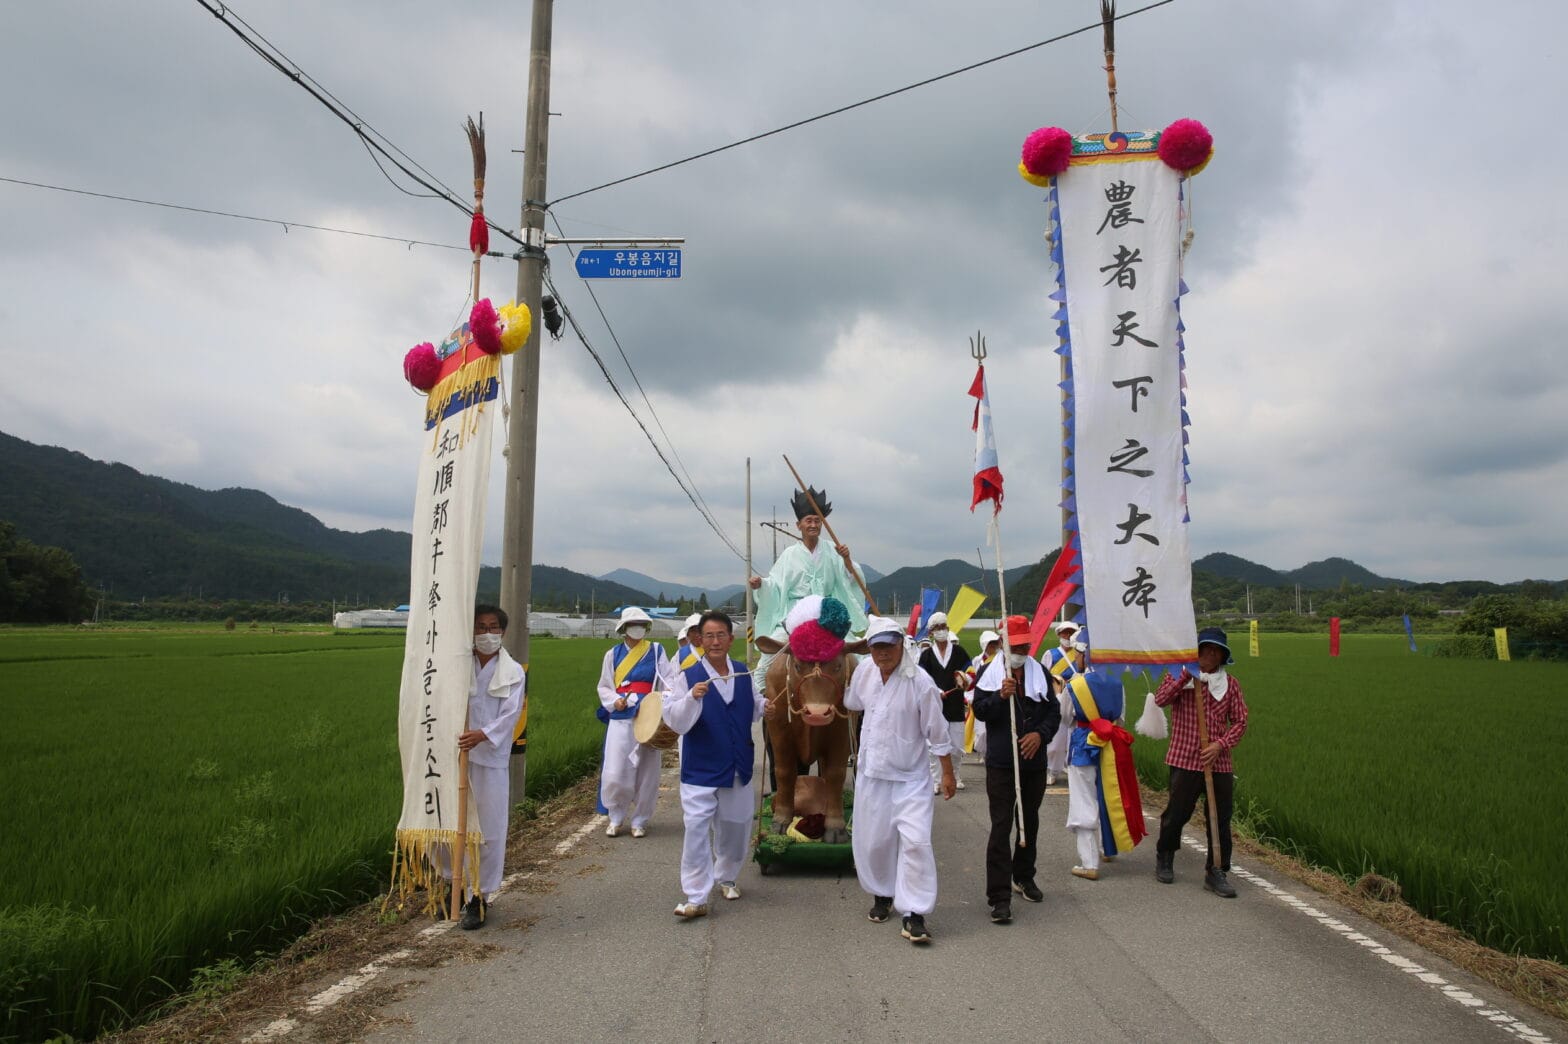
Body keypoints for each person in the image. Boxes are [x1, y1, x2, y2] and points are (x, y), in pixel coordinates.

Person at [844, 615, 955, 945]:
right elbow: (851, 701)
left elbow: (938, 733)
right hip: (873, 775)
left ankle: (915, 913)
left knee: (916, 843)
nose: (883, 653)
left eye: (889, 645)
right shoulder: (865, 672)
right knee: (874, 842)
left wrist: (947, 773)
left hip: (911, 780)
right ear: (870, 649)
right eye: (876, 647)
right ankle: (882, 893)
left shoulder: (920, 682)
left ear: (900, 645)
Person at [662, 610, 763, 919]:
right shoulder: (689, 676)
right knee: (695, 828)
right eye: (709, 636)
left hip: (737, 765)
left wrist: (767, 706)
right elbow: (674, 719)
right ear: (699, 640)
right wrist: (691, 697)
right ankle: (695, 895)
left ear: (731, 639)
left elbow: (755, 705)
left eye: (721, 635)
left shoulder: (743, 673)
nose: (715, 641)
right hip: (701, 768)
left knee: (736, 825)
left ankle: (728, 875)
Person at [971, 614, 1062, 924]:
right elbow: (980, 711)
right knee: (1001, 826)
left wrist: (1040, 735)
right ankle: (999, 897)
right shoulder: (989, 673)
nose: (1021, 650)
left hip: (1033, 762)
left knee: (1030, 822)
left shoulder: (1041, 673)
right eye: (1016, 645)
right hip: (1001, 763)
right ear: (1005, 644)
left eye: (1026, 645)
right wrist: (1000, 696)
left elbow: (1054, 711)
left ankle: (1024, 875)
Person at [1152, 626, 1250, 898]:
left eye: (1215, 650)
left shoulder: (1230, 685)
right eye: (1204, 648)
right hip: (1185, 757)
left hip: (1218, 762)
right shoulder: (1180, 676)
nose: (1209, 653)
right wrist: (1188, 672)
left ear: (1222, 656)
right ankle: (1165, 854)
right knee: (1177, 813)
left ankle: (1216, 870)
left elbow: (1241, 721)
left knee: (1219, 818)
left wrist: (1221, 744)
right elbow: (1160, 699)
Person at [449, 604, 527, 929]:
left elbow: (511, 714)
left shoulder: (513, 672)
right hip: (457, 758)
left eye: (493, 627)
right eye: (480, 627)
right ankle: (452, 887)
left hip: (490, 760)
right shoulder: (457, 666)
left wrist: (483, 734)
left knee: (490, 831)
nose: (487, 633)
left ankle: (480, 897)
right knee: (453, 826)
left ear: (502, 632)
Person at [748, 486, 868, 680]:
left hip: (827, 614)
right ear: (799, 525)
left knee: (853, 653)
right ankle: (764, 703)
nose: (813, 524)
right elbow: (775, 585)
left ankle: (858, 704)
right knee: (767, 661)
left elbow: (851, 578)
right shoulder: (789, 555)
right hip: (795, 614)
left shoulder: (832, 550)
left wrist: (846, 559)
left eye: (817, 520)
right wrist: (761, 584)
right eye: (808, 520)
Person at [1061, 660, 1146, 881]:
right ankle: (1108, 848)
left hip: (1083, 745)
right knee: (1110, 796)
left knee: (1083, 800)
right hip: (1111, 745)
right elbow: (1121, 718)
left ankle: (1089, 862)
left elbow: (1066, 718)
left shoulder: (1075, 685)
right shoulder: (1118, 683)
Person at [596, 606, 669, 838]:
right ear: (624, 628)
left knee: (647, 771)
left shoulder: (657, 651)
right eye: (633, 624)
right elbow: (604, 686)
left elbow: (667, 682)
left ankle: (640, 819)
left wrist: (659, 703)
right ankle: (616, 816)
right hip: (621, 716)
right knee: (616, 769)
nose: (637, 628)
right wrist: (615, 700)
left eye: (641, 624)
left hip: (647, 716)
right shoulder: (612, 654)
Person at [917, 611, 972, 793]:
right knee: (933, 747)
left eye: (943, 627)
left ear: (948, 629)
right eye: (937, 628)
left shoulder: (959, 652)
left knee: (956, 746)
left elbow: (970, 671)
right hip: (935, 707)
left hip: (955, 705)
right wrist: (936, 691)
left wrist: (964, 679)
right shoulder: (926, 656)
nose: (941, 631)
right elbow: (921, 679)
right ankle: (936, 779)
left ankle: (954, 775)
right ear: (931, 632)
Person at [1042, 621, 1081, 785]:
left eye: (1071, 633)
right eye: (1065, 633)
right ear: (1059, 635)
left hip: (1077, 697)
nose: (1068, 636)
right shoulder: (1051, 654)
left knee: (1075, 736)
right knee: (1056, 739)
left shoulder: (1080, 654)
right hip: (1057, 698)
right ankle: (1052, 770)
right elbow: (1044, 676)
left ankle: (1071, 767)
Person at [957, 629, 1001, 758]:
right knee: (981, 731)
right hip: (981, 698)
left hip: (996, 696)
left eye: (995, 643)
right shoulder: (977, 660)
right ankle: (983, 752)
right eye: (990, 644)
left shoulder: (1000, 659)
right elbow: (971, 680)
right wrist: (968, 695)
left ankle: (991, 754)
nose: (993, 646)